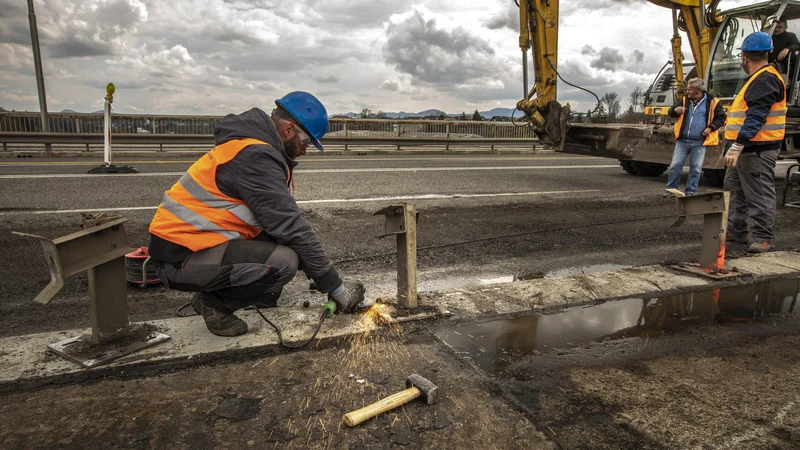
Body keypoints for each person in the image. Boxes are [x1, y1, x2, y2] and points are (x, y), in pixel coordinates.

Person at [147, 91, 365, 336]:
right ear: (289, 130)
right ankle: (214, 303)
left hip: (198, 245)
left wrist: (320, 275)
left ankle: (253, 298)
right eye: (306, 143)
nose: (304, 151)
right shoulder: (255, 158)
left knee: (278, 245)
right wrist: (336, 288)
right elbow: (291, 227)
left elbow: (279, 226)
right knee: (284, 262)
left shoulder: (253, 148)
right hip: (179, 259)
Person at [723, 32, 787, 254]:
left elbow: (757, 115)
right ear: (767, 52)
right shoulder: (760, 77)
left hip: (757, 148)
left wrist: (738, 144)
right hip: (747, 148)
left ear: (744, 57)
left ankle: (762, 237)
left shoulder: (765, 78)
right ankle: (736, 230)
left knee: (758, 192)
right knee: (735, 191)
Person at [663, 78, 726, 197]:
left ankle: (690, 192)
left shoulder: (713, 102)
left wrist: (711, 128)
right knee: (675, 165)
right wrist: (675, 111)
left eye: (690, 89)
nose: (687, 92)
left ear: (697, 91)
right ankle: (671, 190)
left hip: (700, 141)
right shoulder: (684, 100)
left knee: (696, 169)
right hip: (682, 140)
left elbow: (721, 118)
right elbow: (671, 112)